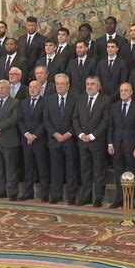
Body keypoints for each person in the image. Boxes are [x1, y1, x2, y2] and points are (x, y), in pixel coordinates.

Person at [73, 76, 111, 207]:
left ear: (99, 86)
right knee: (85, 171)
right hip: (82, 142)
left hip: (97, 142)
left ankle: (98, 198)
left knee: (99, 171)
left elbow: (105, 121)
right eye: (87, 84)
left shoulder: (106, 100)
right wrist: (81, 134)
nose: (89, 86)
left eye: (92, 84)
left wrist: (92, 136)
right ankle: (86, 197)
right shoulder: (80, 98)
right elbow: (75, 118)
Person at [43, 73, 78, 205]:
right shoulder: (48, 99)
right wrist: (55, 133)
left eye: (62, 84)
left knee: (71, 169)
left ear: (68, 85)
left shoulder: (76, 99)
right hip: (54, 140)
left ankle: (71, 196)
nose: (59, 86)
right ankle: (56, 195)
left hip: (70, 139)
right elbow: (46, 120)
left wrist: (69, 133)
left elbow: (78, 119)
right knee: (55, 169)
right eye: (57, 84)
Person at [107, 82, 135, 209]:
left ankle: (129, 201)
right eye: (121, 90)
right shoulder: (114, 106)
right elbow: (110, 127)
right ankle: (119, 199)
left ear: (131, 92)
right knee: (118, 174)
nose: (123, 93)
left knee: (130, 175)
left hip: (132, 147)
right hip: (116, 146)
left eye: (126, 90)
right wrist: (110, 143)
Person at [17, 80, 49, 202]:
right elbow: (20, 120)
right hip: (26, 140)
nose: (32, 89)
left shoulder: (45, 102)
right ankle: (28, 193)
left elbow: (45, 120)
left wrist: (34, 135)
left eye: (35, 87)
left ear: (40, 89)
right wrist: (27, 134)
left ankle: (45, 194)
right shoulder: (23, 102)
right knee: (28, 168)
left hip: (39, 140)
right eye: (30, 87)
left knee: (42, 168)